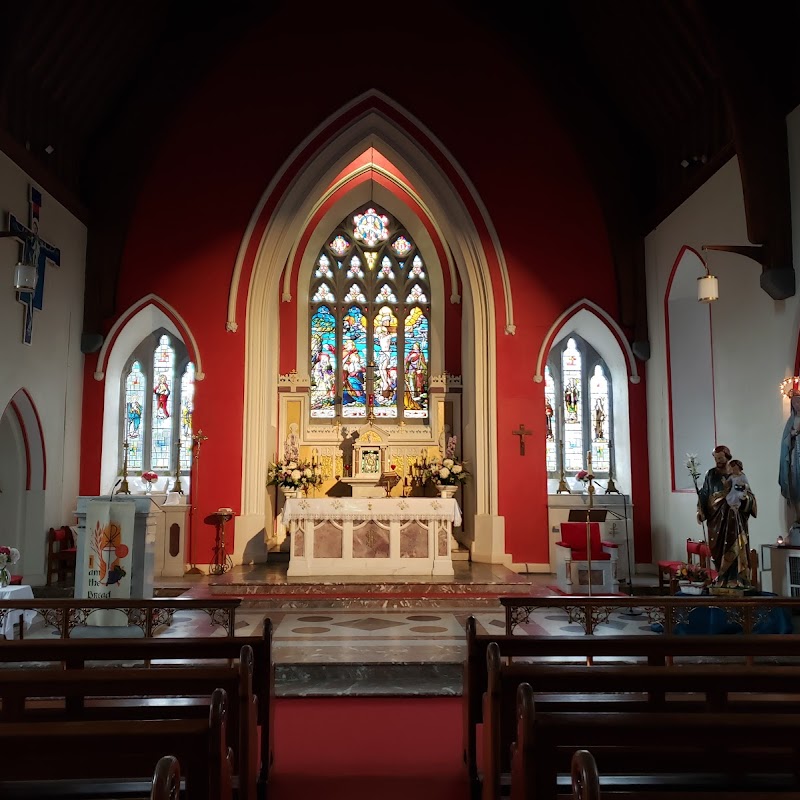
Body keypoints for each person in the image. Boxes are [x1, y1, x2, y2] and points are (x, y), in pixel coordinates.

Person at [697, 444, 757, 587]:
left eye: (721, 458)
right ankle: (721, 576)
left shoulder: (737, 474)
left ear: (728, 458)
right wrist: (700, 510)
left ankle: (735, 578)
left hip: (734, 520)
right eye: (716, 458)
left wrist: (744, 500)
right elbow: (704, 493)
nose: (718, 461)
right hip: (715, 520)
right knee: (717, 550)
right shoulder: (711, 474)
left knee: (734, 545)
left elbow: (749, 495)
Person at [779, 392, 800, 527]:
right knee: (795, 487)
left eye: (799, 402)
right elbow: (786, 441)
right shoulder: (791, 421)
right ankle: (798, 517)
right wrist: (793, 433)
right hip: (795, 458)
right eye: (794, 403)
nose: (797, 405)